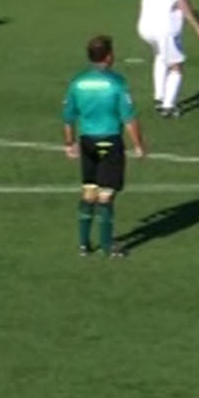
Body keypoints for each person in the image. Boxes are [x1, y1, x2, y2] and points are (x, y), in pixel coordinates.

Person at [62, 35, 146, 258]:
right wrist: (139, 145)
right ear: (108, 56)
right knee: (106, 195)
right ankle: (107, 247)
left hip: (88, 142)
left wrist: (69, 142)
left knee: (89, 190)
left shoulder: (77, 81)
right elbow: (129, 118)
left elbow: (68, 116)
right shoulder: (117, 83)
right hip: (109, 142)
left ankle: (83, 245)